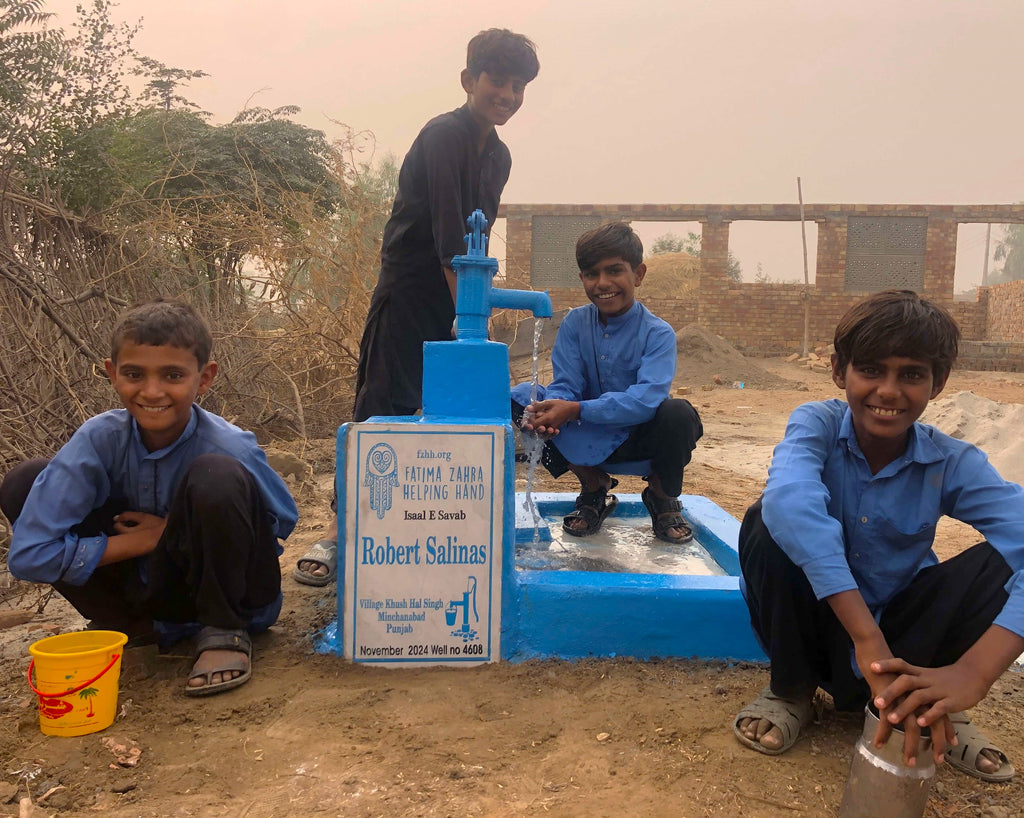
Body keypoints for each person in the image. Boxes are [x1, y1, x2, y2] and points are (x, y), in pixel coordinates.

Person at [733, 289, 1023, 783]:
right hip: (820, 632)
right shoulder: (816, 425)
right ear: (838, 371)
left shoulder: (950, 462)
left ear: (938, 384)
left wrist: (974, 672)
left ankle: (938, 702)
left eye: (911, 374)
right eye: (871, 370)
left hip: (907, 643)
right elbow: (791, 501)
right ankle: (791, 690)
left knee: (997, 562)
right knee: (768, 519)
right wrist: (865, 637)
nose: (888, 391)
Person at [294, 28, 540, 585]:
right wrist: (469, 318)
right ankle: (339, 531)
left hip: (457, 295)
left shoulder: (498, 156)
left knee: (447, 409)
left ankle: (422, 527)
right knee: (384, 401)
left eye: (518, 86)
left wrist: (469, 308)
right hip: (410, 289)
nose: (507, 94)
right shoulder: (444, 135)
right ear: (468, 81)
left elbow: (477, 239)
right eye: (497, 80)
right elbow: (448, 233)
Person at [2, 299, 297, 697]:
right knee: (26, 479)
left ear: (204, 378)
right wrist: (144, 540)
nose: (152, 391)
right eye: (134, 374)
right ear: (112, 374)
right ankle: (131, 626)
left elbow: (280, 523)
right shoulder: (99, 439)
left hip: (230, 599)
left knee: (216, 476)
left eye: (173, 375)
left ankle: (223, 632)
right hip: (144, 595)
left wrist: (181, 529)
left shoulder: (229, 445)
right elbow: (28, 556)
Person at [512, 222, 703, 543]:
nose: (603, 283)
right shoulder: (574, 323)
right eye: (591, 274)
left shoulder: (658, 333)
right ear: (582, 278)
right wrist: (552, 411)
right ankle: (593, 486)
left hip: (636, 435)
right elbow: (566, 382)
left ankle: (661, 497)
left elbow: (645, 400)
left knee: (678, 413)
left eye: (614, 271)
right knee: (521, 400)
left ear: (638, 274)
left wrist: (574, 409)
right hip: (584, 435)